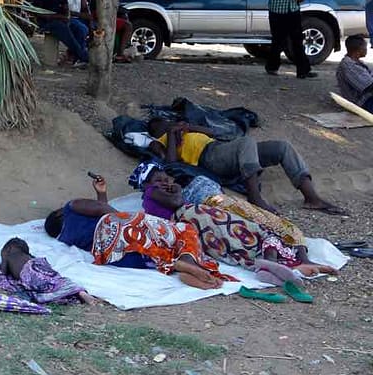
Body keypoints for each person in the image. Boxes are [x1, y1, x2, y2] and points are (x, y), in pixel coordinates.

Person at [130, 161, 336, 278]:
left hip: (200, 213)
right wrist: (174, 188)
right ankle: (275, 264)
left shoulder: (163, 189)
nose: (165, 181)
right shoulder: (151, 192)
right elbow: (177, 202)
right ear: (147, 185)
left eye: (166, 177)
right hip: (193, 216)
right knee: (240, 233)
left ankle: (279, 264)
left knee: (252, 230)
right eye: (159, 180)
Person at [43, 175, 230, 290]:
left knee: (153, 250)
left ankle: (177, 266)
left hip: (112, 254)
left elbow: (100, 219)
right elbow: (102, 210)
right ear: (60, 212)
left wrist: (102, 193)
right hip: (122, 231)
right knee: (183, 229)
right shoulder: (70, 207)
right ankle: (188, 262)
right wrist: (133, 220)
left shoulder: (66, 237)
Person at [146, 118, 345, 215]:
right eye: (163, 124)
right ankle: (255, 197)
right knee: (246, 142)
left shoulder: (186, 131)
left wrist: (188, 127)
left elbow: (214, 133)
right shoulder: (160, 140)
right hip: (210, 158)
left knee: (281, 147)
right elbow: (170, 162)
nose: (168, 123)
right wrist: (171, 134)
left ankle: (311, 197)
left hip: (224, 148)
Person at [0, 237, 95, 304]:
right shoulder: (29, 257)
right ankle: (78, 291)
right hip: (40, 264)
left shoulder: (7, 254)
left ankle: (75, 292)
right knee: (56, 279)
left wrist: (1, 270)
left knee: (42, 285)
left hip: (28, 271)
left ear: (8, 248)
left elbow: (2, 274)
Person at [30, 0, 89, 64]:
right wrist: (59, 17)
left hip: (61, 19)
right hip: (46, 22)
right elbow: (38, 12)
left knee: (80, 29)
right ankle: (83, 56)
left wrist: (66, 16)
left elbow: (65, 8)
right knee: (62, 28)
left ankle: (74, 56)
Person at [336, 35, 373, 111]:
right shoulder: (348, 66)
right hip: (362, 102)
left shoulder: (356, 62)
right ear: (359, 49)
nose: (366, 49)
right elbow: (369, 87)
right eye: (365, 47)